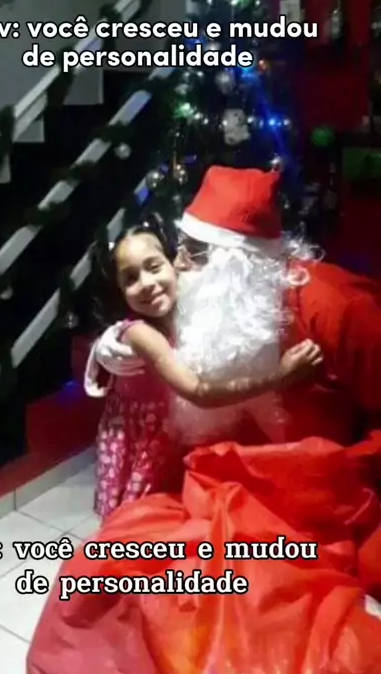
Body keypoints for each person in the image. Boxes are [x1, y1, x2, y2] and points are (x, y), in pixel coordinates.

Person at [0, 167, 381, 674]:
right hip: (219, 488)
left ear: (237, 260)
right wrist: (108, 350)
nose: (178, 266)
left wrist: (337, 479)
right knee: (100, 592)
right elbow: (182, 375)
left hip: (310, 498)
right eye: (179, 249)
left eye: (191, 253)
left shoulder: (336, 307)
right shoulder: (210, 303)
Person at [84, 212, 322, 519]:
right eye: (130, 279)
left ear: (173, 263)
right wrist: (279, 376)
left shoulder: (187, 296)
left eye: (154, 267)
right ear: (120, 292)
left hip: (172, 433)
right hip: (142, 442)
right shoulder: (140, 333)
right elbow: (198, 392)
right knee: (139, 520)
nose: (147, 283)